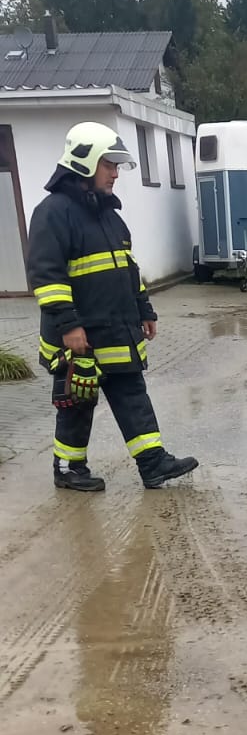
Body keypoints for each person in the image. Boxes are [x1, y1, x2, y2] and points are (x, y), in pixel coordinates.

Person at [26, 121, 198, 493]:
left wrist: (144, 309)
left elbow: (128, 270)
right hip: (79, 336)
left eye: (117, 166)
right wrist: (69, 325)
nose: (115, 174)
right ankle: (69, 469)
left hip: (117, 330)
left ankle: (153, 464)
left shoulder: (108, 215)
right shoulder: (53, 213)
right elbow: (46, 275)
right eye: (109, 165)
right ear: (84, 162)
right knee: (77, 402)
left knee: (133, 395)